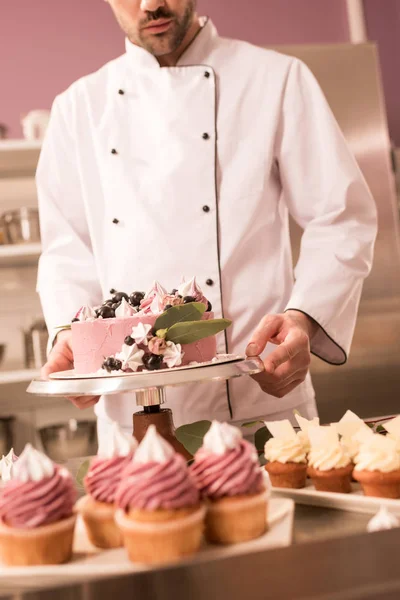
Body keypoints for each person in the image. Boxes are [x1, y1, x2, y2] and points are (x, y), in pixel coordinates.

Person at [37, 0, 377, 446]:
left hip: (260, 409)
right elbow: (66, 252)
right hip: (131, 419)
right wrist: (73, 340)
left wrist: (305, 318)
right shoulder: (78, 108)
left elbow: (341, 216)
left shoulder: (275, 79)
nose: (151, 3)